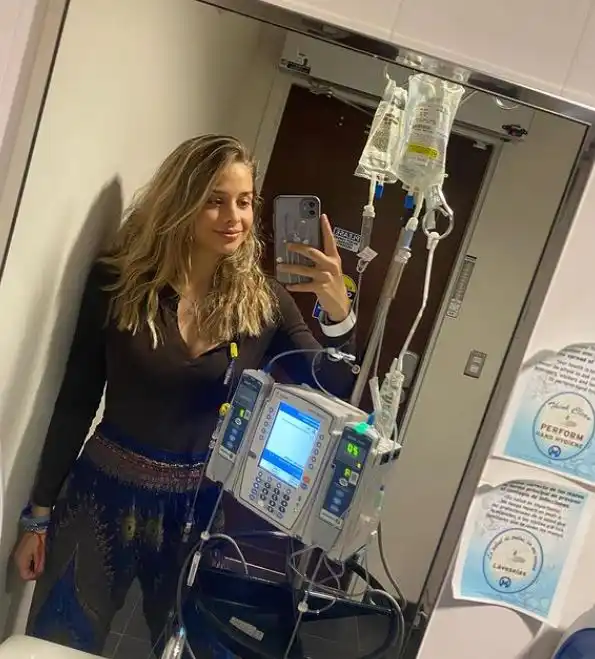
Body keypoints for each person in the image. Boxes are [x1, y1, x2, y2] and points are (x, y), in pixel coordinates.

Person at [13, 134, 356, 657]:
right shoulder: (118, 283)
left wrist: (338, 315)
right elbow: (76, 400)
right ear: (182, 201)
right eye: (215, 200)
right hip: (101, 494)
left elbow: (329, 384)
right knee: (60, 642)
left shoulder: (263, 303)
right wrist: (38, 514)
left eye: (244, 202)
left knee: (194, 647)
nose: (234, 217)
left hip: (197, 507)